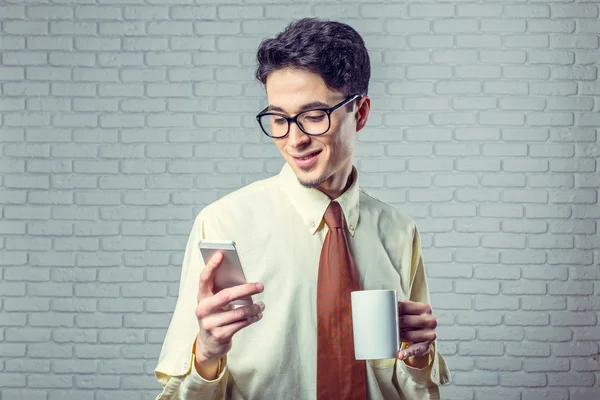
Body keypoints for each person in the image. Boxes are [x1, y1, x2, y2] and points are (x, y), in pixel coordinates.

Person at [154, 18, 451, 400]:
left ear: (359, 113)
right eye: (278, 119)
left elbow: (412, 390)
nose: (294, 140)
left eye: (313, 116)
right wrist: (207, 354)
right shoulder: (223, 224)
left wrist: (417, 359)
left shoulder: (398, 232)